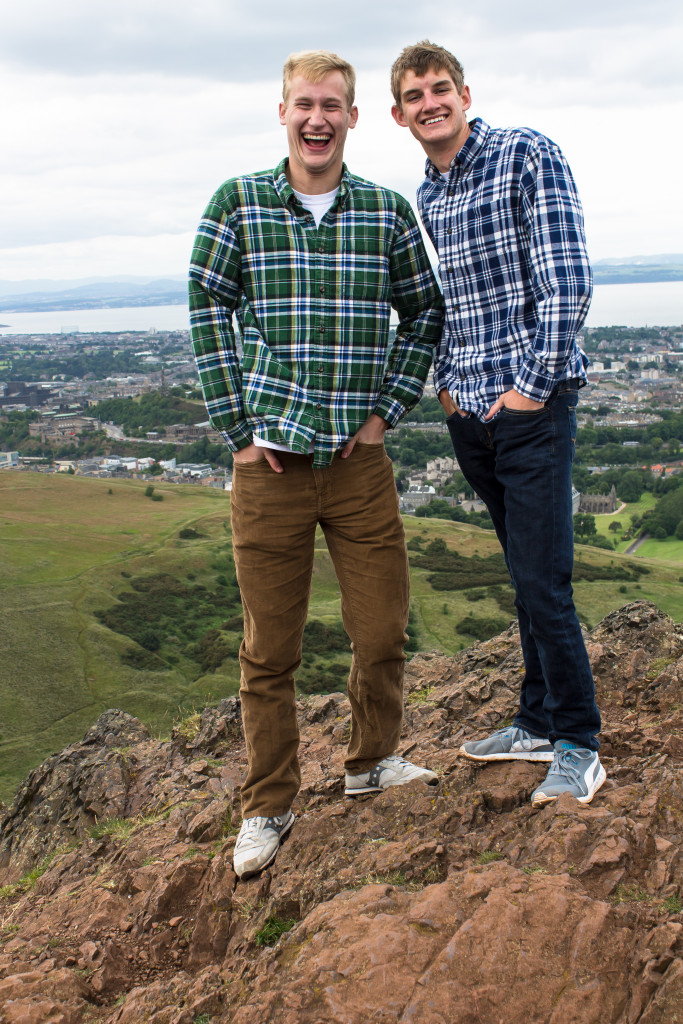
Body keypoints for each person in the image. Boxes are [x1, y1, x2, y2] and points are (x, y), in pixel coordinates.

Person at [189, 50, 443, 879]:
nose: (317, 119)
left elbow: (424, 314)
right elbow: (205, 306)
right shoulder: (238, 203)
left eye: (332, 105)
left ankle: (371, 763)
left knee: (380, 630)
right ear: (283, 112)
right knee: (271, 651)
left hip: (356, 463)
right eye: (304, 104)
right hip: (269, 470)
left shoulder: (384, 211)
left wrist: (386, 414)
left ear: (355, 117)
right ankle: (268, 805)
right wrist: (234, 425)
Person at [390, 40, 606, 807]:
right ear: (398, 114)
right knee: (522, 577)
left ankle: (578, 742)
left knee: (543, 582)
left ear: (464, 93)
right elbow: (461, 303)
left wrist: (528, 388)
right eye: (415, 96)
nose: (429, 103)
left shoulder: (523, 154)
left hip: (530, 407)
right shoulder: (429, 194)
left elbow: (568, 281)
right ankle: (535, 719)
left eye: (440, 88)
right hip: (470, 413)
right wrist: (450, 391)